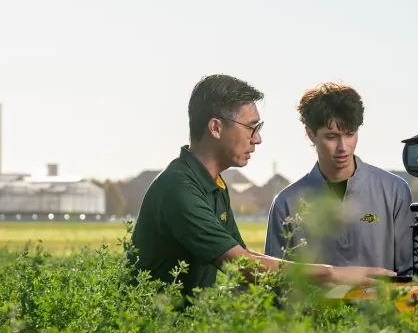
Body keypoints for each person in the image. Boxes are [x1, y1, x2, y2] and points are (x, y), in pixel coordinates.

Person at [130, 74, 396, 304]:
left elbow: (245, 256)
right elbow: (242, 266)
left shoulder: (213, 185)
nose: (257, 138)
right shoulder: (179, 188)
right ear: (215, 127)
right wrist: (333, 273)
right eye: (251, 127)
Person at [264, 82, 415, 273]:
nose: (343, 147)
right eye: (332, 137)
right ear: (310, 134)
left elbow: (411, 273)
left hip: (382, 303)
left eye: (350, 134)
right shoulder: (285, 202)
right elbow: (276, 280)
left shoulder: (395, 191)